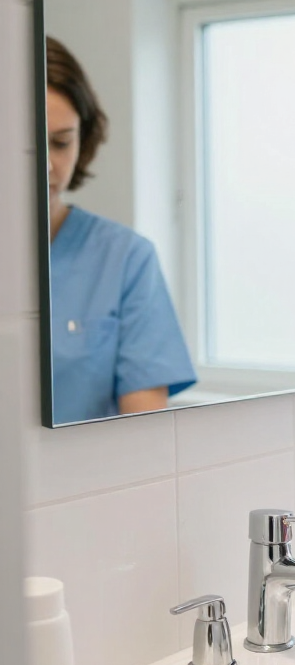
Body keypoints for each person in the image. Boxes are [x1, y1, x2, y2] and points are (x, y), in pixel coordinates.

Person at [46, 36, 196, 423]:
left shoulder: (125, 259)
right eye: (26, 146)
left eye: (60, 143)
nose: (45, 165)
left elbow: (143, 440)